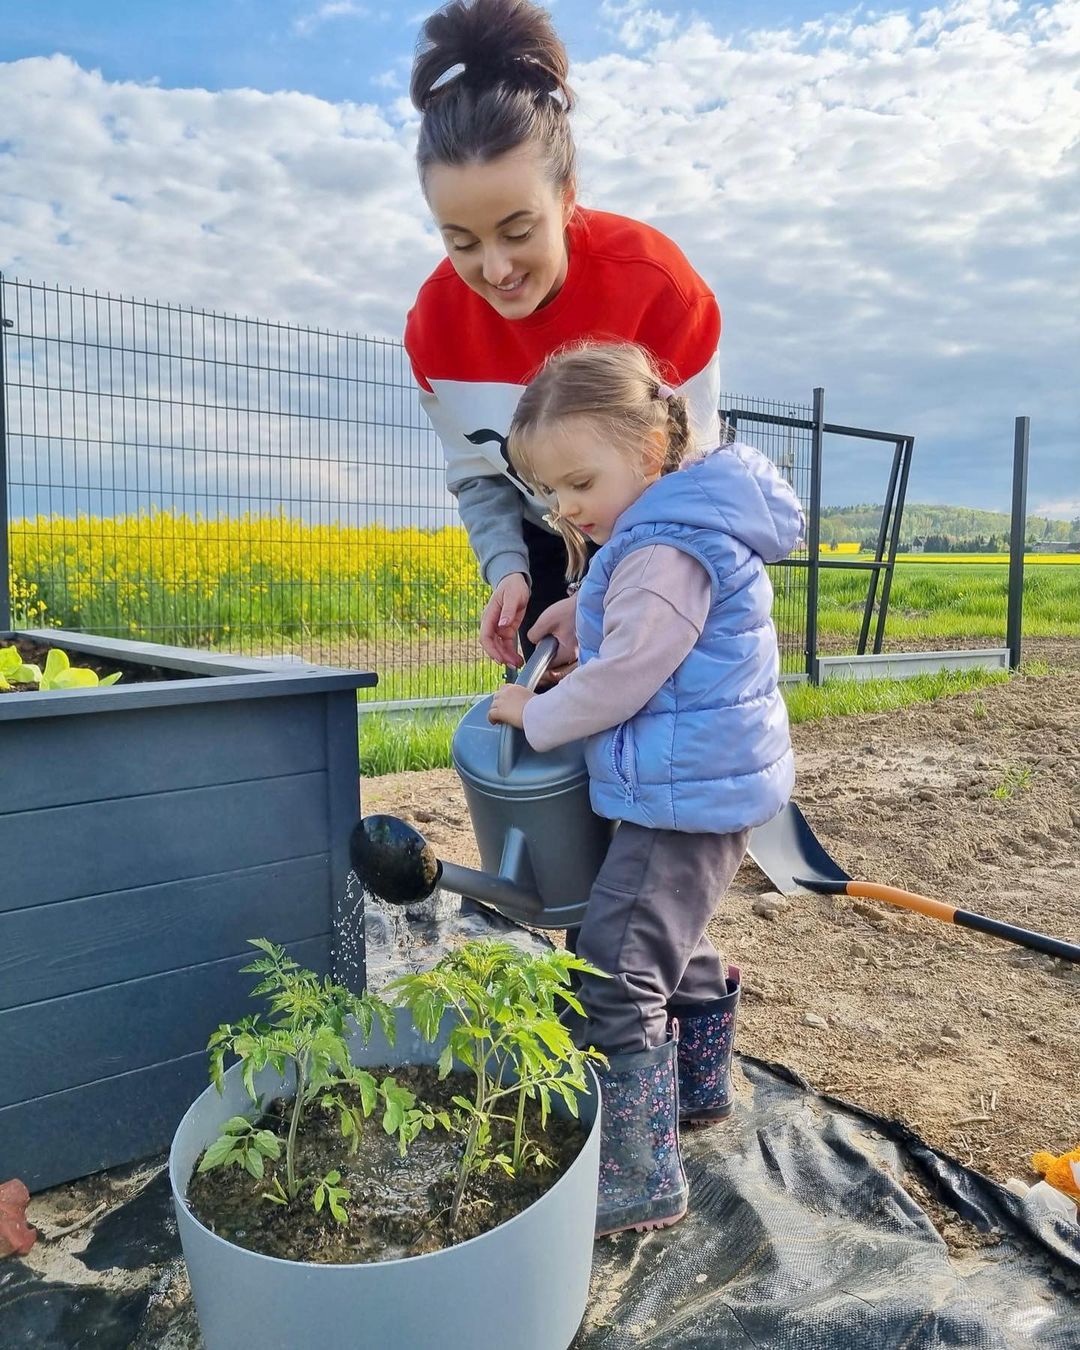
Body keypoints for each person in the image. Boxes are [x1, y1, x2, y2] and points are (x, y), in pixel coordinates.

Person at [488, 341, 804, 1238]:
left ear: (650, 448)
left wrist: (533, 713)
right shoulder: (673, 524)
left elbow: (630, 671)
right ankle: (698, 1089)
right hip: (701, 782)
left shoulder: (663, 546)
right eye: (550, 494)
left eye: (579, 482)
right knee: (669, 934)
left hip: (679, 793)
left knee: (615, 970)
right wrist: (579, 615)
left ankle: (633, 1178)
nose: (566, 508)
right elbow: (646, 633)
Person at [404, 0, 722, 670]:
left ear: (568, 194)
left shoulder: (657, 287)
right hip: (542, 532)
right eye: (461, 241)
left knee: (665, 707)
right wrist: (507, 574)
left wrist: (606, 589)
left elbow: (689, 473)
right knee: (547, 717)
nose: (495, 270)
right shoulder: (433, 330)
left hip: (660, 530)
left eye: (518, 232)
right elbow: (481, 478)